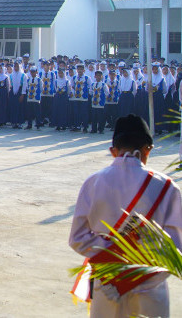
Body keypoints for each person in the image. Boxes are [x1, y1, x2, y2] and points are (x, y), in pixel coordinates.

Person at [69, 114, 182, 317]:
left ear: (113, 151)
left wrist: (113, 264)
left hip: (108, 287)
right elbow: (176, 249)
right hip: (150, 291)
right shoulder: (166, 187)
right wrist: (139, 275)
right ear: (148, 149)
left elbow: (77, 238)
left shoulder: (93, 182)